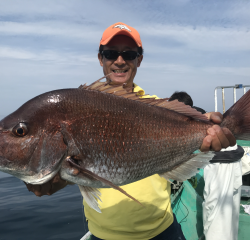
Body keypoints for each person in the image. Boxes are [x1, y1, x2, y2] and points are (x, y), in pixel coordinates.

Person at [25, 22, 236, 240]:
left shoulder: (156, 107)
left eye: (129, 54)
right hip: (103, 235)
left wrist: (208, 124)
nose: (119, 60)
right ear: (100, 59)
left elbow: (195, 125)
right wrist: (52, 178)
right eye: (110, 54)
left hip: (162, 230)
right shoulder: (80, 108)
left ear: (139, 60)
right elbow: (84, 171)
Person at [169, 91, 244, 240]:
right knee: (228, 212)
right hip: (231, 161)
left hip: (221, 164)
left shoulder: (200, 120)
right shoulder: (199, 116)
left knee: (217, 215)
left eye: (173, 112)